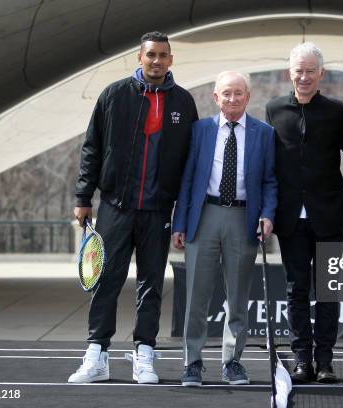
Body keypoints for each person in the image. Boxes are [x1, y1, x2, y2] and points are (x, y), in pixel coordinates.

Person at [68, 31, 198, 384]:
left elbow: (189, 164)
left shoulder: (183, 103)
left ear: (171, 60)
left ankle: (145, 355)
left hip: (157, 212)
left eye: (163, 55)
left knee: (151, 285)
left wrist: (182, 213)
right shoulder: (113, 95)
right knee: (105, 281)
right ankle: (97, 355)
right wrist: (83, 197)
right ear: (139, 58)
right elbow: (92, 147)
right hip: (114, 207)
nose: (157, 61)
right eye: (151, 55)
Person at [172, 71, 277, 387]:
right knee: (197, 297)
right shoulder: (200, 130)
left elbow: (271, 181)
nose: (232, 98)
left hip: (243, 220)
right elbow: (187, 179)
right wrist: (179, 223)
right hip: (204, 216)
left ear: (248, 96)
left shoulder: (264, 133)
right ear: (215, 97)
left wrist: (268, 215)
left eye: (238, 93)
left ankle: (232, 363)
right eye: (226, 93)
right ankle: (192, 363)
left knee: (238, 296)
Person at [265, 43, 343, 383]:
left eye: (310, 71)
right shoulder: (274, 109)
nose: (304, 77)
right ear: (290, 72)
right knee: (296, 290)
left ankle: (326, 362)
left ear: (321, 74)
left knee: (327, 289)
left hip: (329, 215)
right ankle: (302, 360)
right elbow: (267, 165)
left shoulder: (337, 111)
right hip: (290, 219)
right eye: (298, 70)